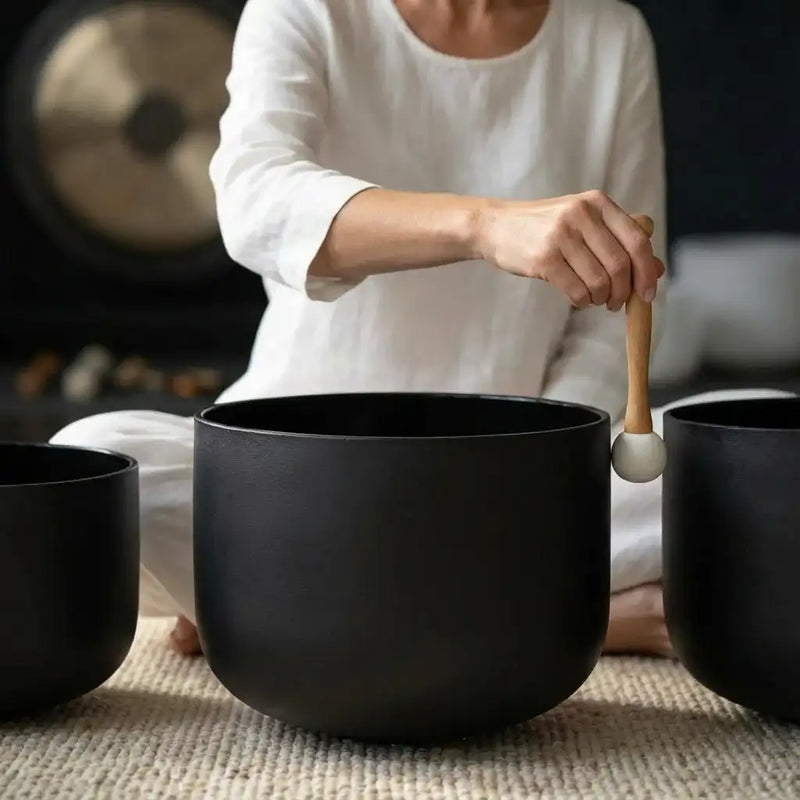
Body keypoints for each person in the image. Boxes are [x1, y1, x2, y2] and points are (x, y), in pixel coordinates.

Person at [49, 0, 784, 658]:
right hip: (296, 475)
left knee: (760, 458)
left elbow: (607, 313)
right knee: (95, 458)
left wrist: (544, 470)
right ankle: (572, 613)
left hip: (513, 484)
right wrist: (484, 224)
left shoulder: (610, 33)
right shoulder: (306, 9)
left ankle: (281, 609)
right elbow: (255, 203)